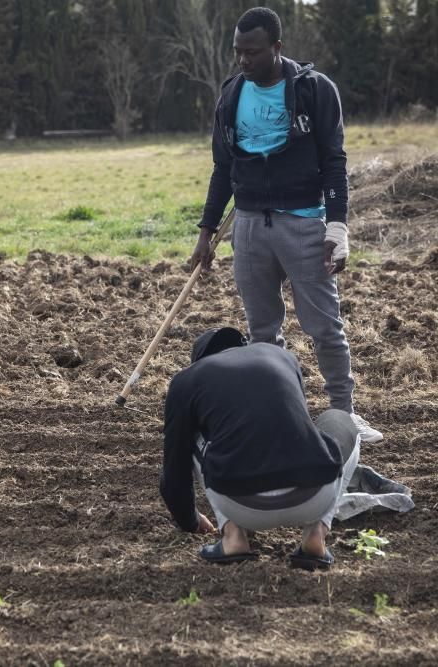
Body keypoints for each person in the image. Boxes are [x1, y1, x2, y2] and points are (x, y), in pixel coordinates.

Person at [189, 6, 383, 443]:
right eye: (238, 52)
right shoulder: (231, 94)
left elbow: (335, 162)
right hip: (250, 227)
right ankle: (281, 412)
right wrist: (206, 234)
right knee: (262, 335)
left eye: (252, 52)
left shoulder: (315, 91)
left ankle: (344, 415)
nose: (243, 61)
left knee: (324, 328)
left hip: (303, 225)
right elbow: (223, 169)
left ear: (277, 48)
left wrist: (338, 227)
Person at [161, 327, 360, 570]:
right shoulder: (283, 357)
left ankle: (233, 536)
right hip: (315, 494)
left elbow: (174, 474)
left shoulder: (187, 380)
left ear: (200, 360)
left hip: (240, 504)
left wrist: (190, 521)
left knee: (190, 432)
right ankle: (316, 534)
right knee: (340, 419)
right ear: (244, 346)